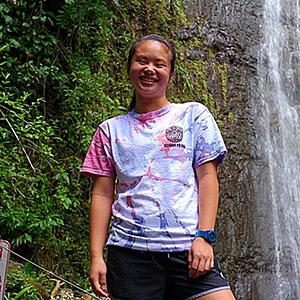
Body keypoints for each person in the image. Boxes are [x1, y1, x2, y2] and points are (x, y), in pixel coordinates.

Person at [80, 34, 236, 300]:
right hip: (130, 255)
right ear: (130, 67)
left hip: (187, 250)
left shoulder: (193, 115)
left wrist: (205, 237)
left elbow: (208, 178)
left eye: (159, 64)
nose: (149, 69)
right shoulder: (109, 130)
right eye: (142, 61)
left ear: (171, 74)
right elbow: (102, 194)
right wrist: (96, 257)